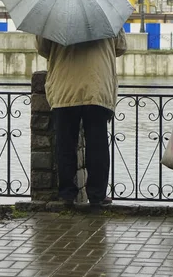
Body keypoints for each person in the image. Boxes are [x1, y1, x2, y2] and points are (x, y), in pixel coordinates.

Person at [36, 29, 127, 206]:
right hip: (96, 88)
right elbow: (121, 47)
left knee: (65, 145)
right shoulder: (106, 13)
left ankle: (67, 195)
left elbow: (43, 48)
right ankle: (97, 195)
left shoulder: (54, 16)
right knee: (97, 145)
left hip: (64, 89)